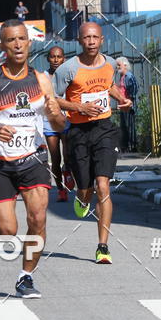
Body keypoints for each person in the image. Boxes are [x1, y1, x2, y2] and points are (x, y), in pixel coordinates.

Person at [0, 20, 65, 298]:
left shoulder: (41, 80)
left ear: (30, 42)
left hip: (33, 157)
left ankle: (26, 277)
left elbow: (58, 125)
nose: (18, 44)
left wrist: (55, 113)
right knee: (7, 230)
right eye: (11, 40)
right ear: (2, 46)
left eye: (22, 39)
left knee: (37, 218)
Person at [53, 22, 131, 265]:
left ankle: (102, 247)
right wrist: (79, 107)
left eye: (95, 37)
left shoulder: (109, 63)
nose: (91, 41)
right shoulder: (67, 69)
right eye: (86, 37)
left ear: (102, 40)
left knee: (103, 185)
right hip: (78, 132)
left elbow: (108, 86)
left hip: (105, 129)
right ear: (79, 40)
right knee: (85, 189)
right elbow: (53, 98)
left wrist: (122, 99)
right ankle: (82, 197)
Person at [43, 46, 73, 202]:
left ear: (64, 59)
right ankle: (61, 190)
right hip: (49, 122)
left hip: (67, 119)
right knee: (55, 158)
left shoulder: (69, 75)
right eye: (53, 57)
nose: (55, 60)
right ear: (48, 58)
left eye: (59, 57)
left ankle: (68, 174)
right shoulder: (42, 77)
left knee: (68, 156)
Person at [115, 57, 138, 153]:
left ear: (125, 65)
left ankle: (132, 146)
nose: (117, 67)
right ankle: (126, 146)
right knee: (124, 126)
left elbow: (134, 87)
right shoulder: (122, 77)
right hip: (123, 105)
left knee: (129, 126)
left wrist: (130, 100)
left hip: (128, 105)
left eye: (119, 65)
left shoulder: (129, 76)